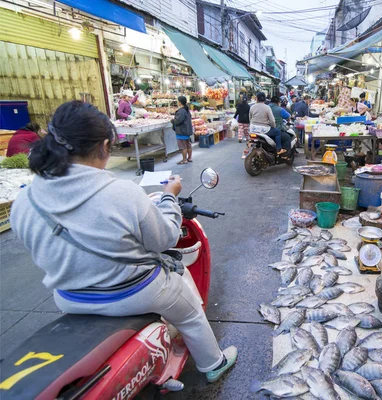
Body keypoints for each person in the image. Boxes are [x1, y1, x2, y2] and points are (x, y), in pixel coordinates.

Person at [9, 100, 237, 383]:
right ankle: (213, 362)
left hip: (69, 298)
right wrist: (169, 196)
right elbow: (164, 238)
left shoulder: (24, 201)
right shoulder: (121, 192)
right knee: (190, 311)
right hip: (131, 294)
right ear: (104, 145)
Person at [172, 96, 194, 164]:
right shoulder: (186, 110)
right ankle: (189, 158)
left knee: (183, 146)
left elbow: (178, 121)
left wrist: (172, 120)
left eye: (178, 101)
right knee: (188, 145)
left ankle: (184, 160)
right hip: (187, 131)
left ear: (180, 102)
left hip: (182, 131)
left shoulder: (182, 111)